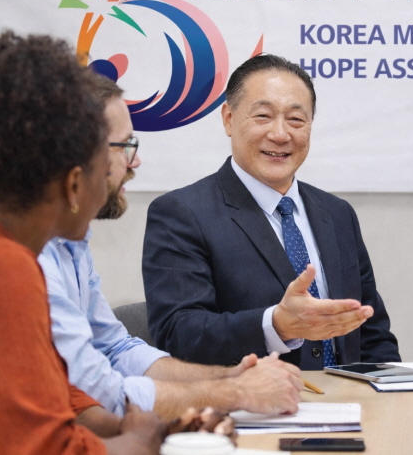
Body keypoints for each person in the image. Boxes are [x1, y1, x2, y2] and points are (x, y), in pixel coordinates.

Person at [0, 31, 168, 454]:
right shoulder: (0, 270)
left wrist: (137, 427)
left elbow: (53, 393)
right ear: (75, 184)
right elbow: (42, 447)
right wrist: (138, 441)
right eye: (106, 167)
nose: (126, 170)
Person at [39, 76, 304, 419]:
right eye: (124, 146)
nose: (135, 162)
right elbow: (96, 391)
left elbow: (116, 348)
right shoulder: (23, 260)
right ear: (74, 157)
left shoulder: (70, 243)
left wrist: (229, 377)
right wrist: (235, 392)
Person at [142, 54, 400, 369]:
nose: (280, 134)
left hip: (347, 396)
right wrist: (276, 325)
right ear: (228, 119)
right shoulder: (181, 214)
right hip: (250, 397)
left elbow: (372, 335)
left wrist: (393, 390)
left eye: (296, 120)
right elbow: (179, 334)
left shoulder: (337, 214)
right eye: (263, 116)